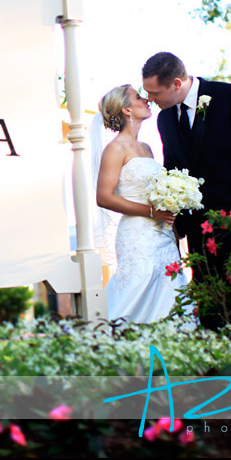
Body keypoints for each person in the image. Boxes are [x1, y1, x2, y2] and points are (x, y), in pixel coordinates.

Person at [141, 52, 231, 328]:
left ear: (177, 84)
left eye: (154, 93)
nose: (150, 100)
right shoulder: (165, 120)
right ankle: (217, 367)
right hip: (200, 236)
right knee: (212, 311)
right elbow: (175, 170)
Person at [96, 84, 190, 323]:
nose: (147, 99)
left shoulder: (147, 149)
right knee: (135, 290)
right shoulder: (115, 149)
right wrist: (151, 212)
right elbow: (104, 197)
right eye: (139, 97)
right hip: (137, 234)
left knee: (170, 293)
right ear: (127, 110)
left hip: (163, 235)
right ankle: (104, 343)